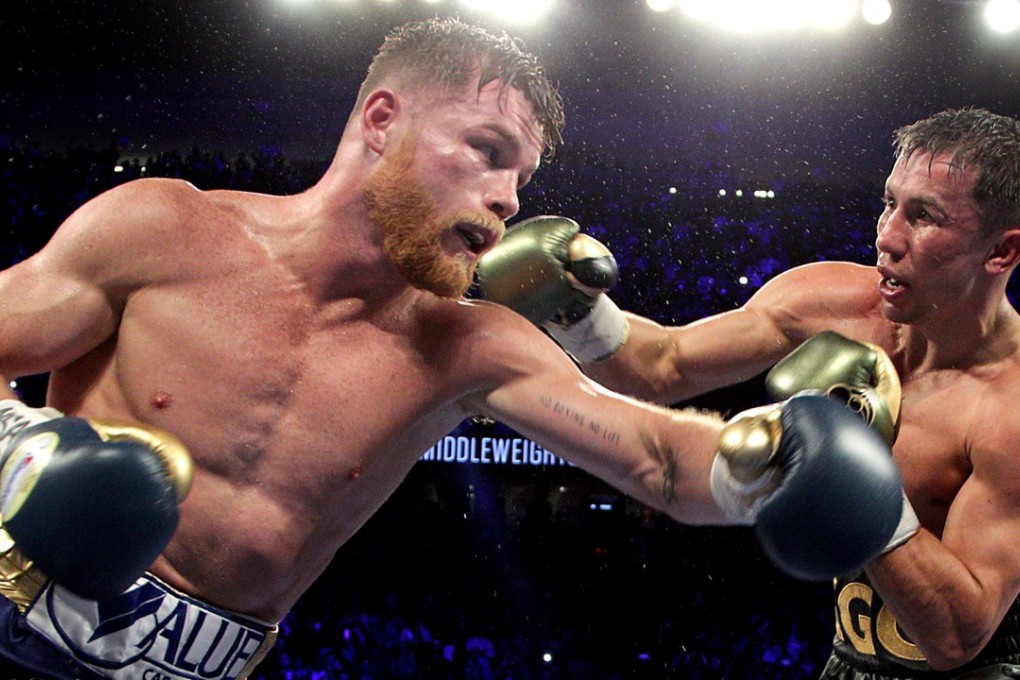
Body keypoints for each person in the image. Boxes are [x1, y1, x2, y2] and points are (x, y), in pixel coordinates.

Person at [0, 16, 902, 680]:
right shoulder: (164, 229)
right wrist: (21, 460)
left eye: (523, 176)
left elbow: (659, 459)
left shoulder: (467, 347)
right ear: (382, 120)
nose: (509, 198)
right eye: (486, 149)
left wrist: (781, 464)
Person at [478, 107, 1020, 678]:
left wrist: (859, 479)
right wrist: (577, 311)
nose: (886, 236)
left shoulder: (1008, 409)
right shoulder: (834, 303)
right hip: (845, 661)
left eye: (925, 217)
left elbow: (960, 637)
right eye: (890, 203)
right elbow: (663, 366)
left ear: (1001, 252)